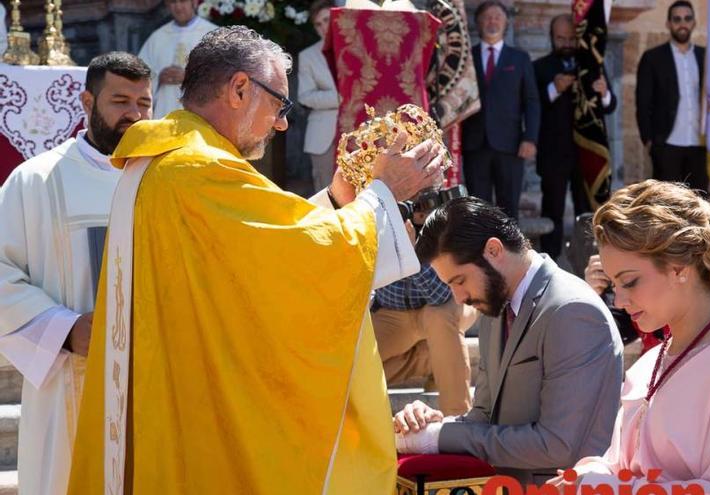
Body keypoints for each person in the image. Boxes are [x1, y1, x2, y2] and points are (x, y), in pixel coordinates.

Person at [66, 26, 445, 494]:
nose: (282, 122)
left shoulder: (171, 158)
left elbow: (263, 250)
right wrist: (386, 194)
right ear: (239, 88)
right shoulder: (197, 168)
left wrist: (336, 198)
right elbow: (303, 260)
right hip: (195, 407)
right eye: (278, 104)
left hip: (179, 389)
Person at [552, 180, 710, 494]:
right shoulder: (649, 363)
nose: (619, 300)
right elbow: (621, 465)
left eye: (630, 282)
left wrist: (603, 484)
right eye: (614, 285)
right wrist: (593, 470)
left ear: (680, 268)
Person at [0, 52, 152, 495]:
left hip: (152, 377)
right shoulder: (37, 180)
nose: (134, 115)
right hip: (70, 374)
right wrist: (65, 329)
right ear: (87, 102)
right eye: (120, 101)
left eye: (143, 103)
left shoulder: (164, 180)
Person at [393, 197, 623, 487]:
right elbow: (485, 417)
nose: (458, 298)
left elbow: (557, 444)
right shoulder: (495, 304)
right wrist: (434, 425)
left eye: (460, 280)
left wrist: (438, 438)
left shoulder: (572, 311)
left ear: (494, 250)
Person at [533, 13, 616, 260]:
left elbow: (610, 105)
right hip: (554, 154)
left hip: (587, 152)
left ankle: (588, 262)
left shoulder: (592, 65)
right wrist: (553, 89)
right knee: (553, 210)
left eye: (571, 38)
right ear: (552, 38)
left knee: (587, 211)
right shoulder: (540, 67)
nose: (567, 43)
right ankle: (550, 264)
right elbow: (531, 104)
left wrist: (604, 93)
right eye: (561, 38)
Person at [461, 0, 540, 219]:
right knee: (477, 207)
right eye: (487, 17)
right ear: (478, 22)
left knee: (509, 206)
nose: (492, 21)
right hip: (475, 143)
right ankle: (479, 252)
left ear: (506, 23)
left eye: (497, 17)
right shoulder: (467, 57)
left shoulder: (520, 58)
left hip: (511, 145)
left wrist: (530, 138)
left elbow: (532, 101)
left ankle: (510, 252)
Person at [372, 265, 471, 416]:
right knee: (350, 368)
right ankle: (429, 361)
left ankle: (457, 421)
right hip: (391, 312)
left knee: (438, 318)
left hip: (449, 302)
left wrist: (412, 252)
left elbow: (440, 295)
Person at [636, 1, 707, 192]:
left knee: (699, 205)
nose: (682, 23)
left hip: (700, 145)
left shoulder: (706, 56)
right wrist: (649, 141)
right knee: (668, 208)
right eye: (677, 19)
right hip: (666, 144)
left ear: (694, 23)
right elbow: (643, 103)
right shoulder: (653, 58)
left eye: (687, 19)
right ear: (668, 23)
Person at [138, 0, 217, 119]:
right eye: (173, 2)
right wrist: (158, 77)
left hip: (200, 116)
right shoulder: (157, 37)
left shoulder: (213, 34)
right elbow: (139, 74)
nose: (178, 7)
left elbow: (223, 75)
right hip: (164, 112)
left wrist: (189, 78)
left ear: (194, 2)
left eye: (183, 1)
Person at [298, 0, 340, 192]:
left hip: (359, 131)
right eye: (318, 24)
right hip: (324, 136)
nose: (323, 27)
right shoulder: (308, 56)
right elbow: (304, 96)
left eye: (326, 20)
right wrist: (341, 97)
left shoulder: (359, 47)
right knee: (326, 194)